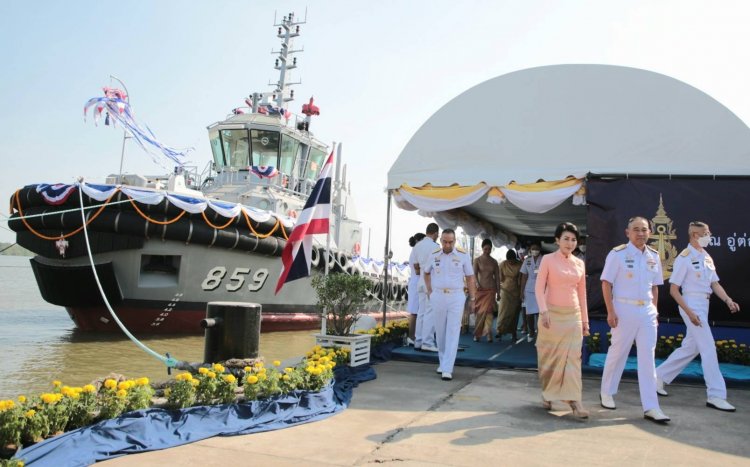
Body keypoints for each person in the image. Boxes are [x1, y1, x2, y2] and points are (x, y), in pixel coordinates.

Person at [655, 221, 740, 411]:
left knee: (691, 347)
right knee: (708, 347)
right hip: (691, 304)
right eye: (706, 233)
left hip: (704, 304)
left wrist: (728, 300)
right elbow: (674, 290)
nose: (709, 236)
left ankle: (657, 377)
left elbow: (715, 284)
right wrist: (689, 312)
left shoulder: (706, 256)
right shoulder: (684, 258)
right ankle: (716, 394)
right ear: (694, 234)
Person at [599, 216, 670, 423]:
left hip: (647, 310)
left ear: (650, 232)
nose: (641, 233)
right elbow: (606, 283)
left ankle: (651, 406)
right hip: (624, 308)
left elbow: (655, 286)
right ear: (627, 233)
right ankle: (607, 392)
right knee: (618, 352)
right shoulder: (618, 254)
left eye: (644, 230)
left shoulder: (653, 256)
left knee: (648, 357)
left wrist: (654, 311)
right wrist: (610, 311)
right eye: (636, 229)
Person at [535, 223, 589, 419]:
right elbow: (539, 287)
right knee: (549, 359)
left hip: (573, 316)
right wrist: (543, 311)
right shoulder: (548, 260)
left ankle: (576, 401)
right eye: (566, 238)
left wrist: (585, 321)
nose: (570, 242)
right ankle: (548, 394)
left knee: (573, 359)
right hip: (551, 316)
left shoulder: (580, 263)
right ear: (557, 240)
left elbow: (582, 293)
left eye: (573, 239)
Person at [424, 229, 477, 381]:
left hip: (456, 296)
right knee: (440, 332)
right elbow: (426, 272)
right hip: (438, 295)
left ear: (455, 241)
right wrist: (430, 291)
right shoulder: (434, 255)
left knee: (453, 331)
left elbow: (470, 277)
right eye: (445, 241)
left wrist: (472, 299)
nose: (448, 244)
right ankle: (443, 362)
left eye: (451, 242)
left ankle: (448, 368)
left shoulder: (462, 255)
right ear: (441, 241)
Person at [413, 223, 440, 352]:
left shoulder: (417, 246)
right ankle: (427, 342)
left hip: (421, 280)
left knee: (421, 312)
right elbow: (438, 266)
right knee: (430, 312)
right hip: (431, 281)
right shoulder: (435, 247)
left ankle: (418, 340)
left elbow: (416, 266)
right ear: (435, 233)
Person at [472, 238, 501, 343]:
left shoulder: (494, 261)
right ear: (482, 248)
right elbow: (474, 274)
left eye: (489, 249)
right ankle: (477, 334)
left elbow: (497, 278)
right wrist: (477, 284)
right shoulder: (477, 260)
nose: (487, 251)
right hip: (480, 290)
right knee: (480, 313)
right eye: (485, 249)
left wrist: (498, 292)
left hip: (491, 290)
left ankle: (488, 333)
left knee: (489, 312)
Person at [496, 250, 522, 342]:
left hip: (516, 292)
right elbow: (499, 278)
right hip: (505, 290)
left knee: (514, 314)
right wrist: (498, 292)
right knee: (503, 311)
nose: (511, 262)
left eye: (513, 260)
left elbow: (521, 279)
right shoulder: (503, 264)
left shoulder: (520, 264)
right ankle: (500, 331)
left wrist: (521, 293)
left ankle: (513, 333)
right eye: (509, 261)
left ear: (515, 258)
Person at [406, 232, 426, 345]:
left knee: (419, 311)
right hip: (415, 282)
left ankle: (416, 336)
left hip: (418, 281)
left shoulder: (417, 251)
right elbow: (418, 270)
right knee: (414, 311)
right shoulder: (415, 251)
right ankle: (411, 337)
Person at [520, 243, 542, 343]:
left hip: (541, 288)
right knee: (529, 313)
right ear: (530, 250)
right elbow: (524, 276)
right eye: (533, 249)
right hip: (528, 289)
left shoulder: (544, 259)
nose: (535, 250)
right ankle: (531, 332)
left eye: (536, 248)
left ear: (540, 249)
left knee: (539, 313)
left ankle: (539, 334)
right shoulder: (527, 260)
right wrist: (521, 291)